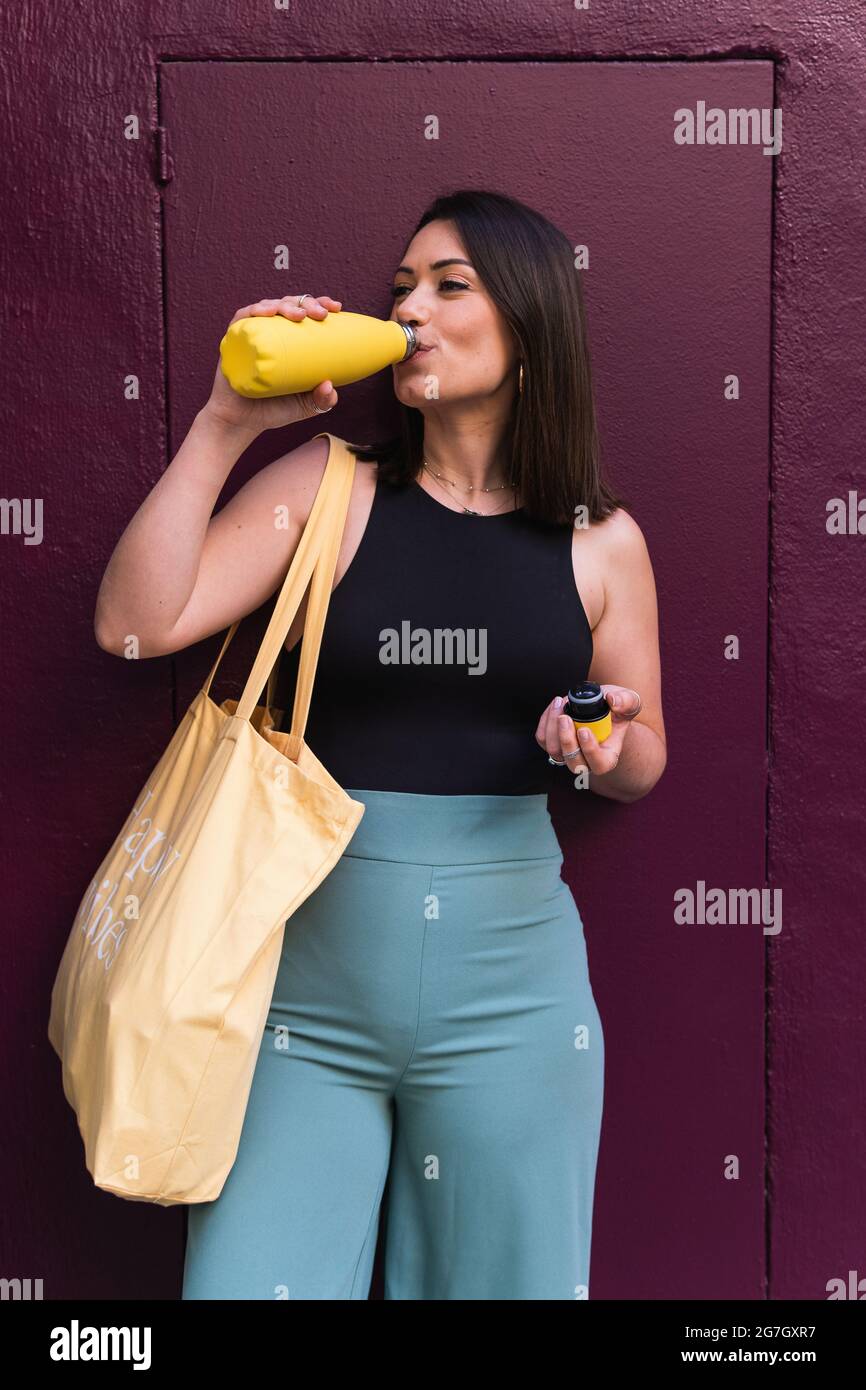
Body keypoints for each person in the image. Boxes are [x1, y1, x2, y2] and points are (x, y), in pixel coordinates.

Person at [94, 188, 667, 1300]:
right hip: (301, 1002)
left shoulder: (602, 542)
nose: (410, 311)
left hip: (515, 1004)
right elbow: (134, 624)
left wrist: (602, 744)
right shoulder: (329, 490)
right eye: (400, 287)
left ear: (530, 328)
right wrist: (225, 423)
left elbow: (642, 752)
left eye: (450, 286)